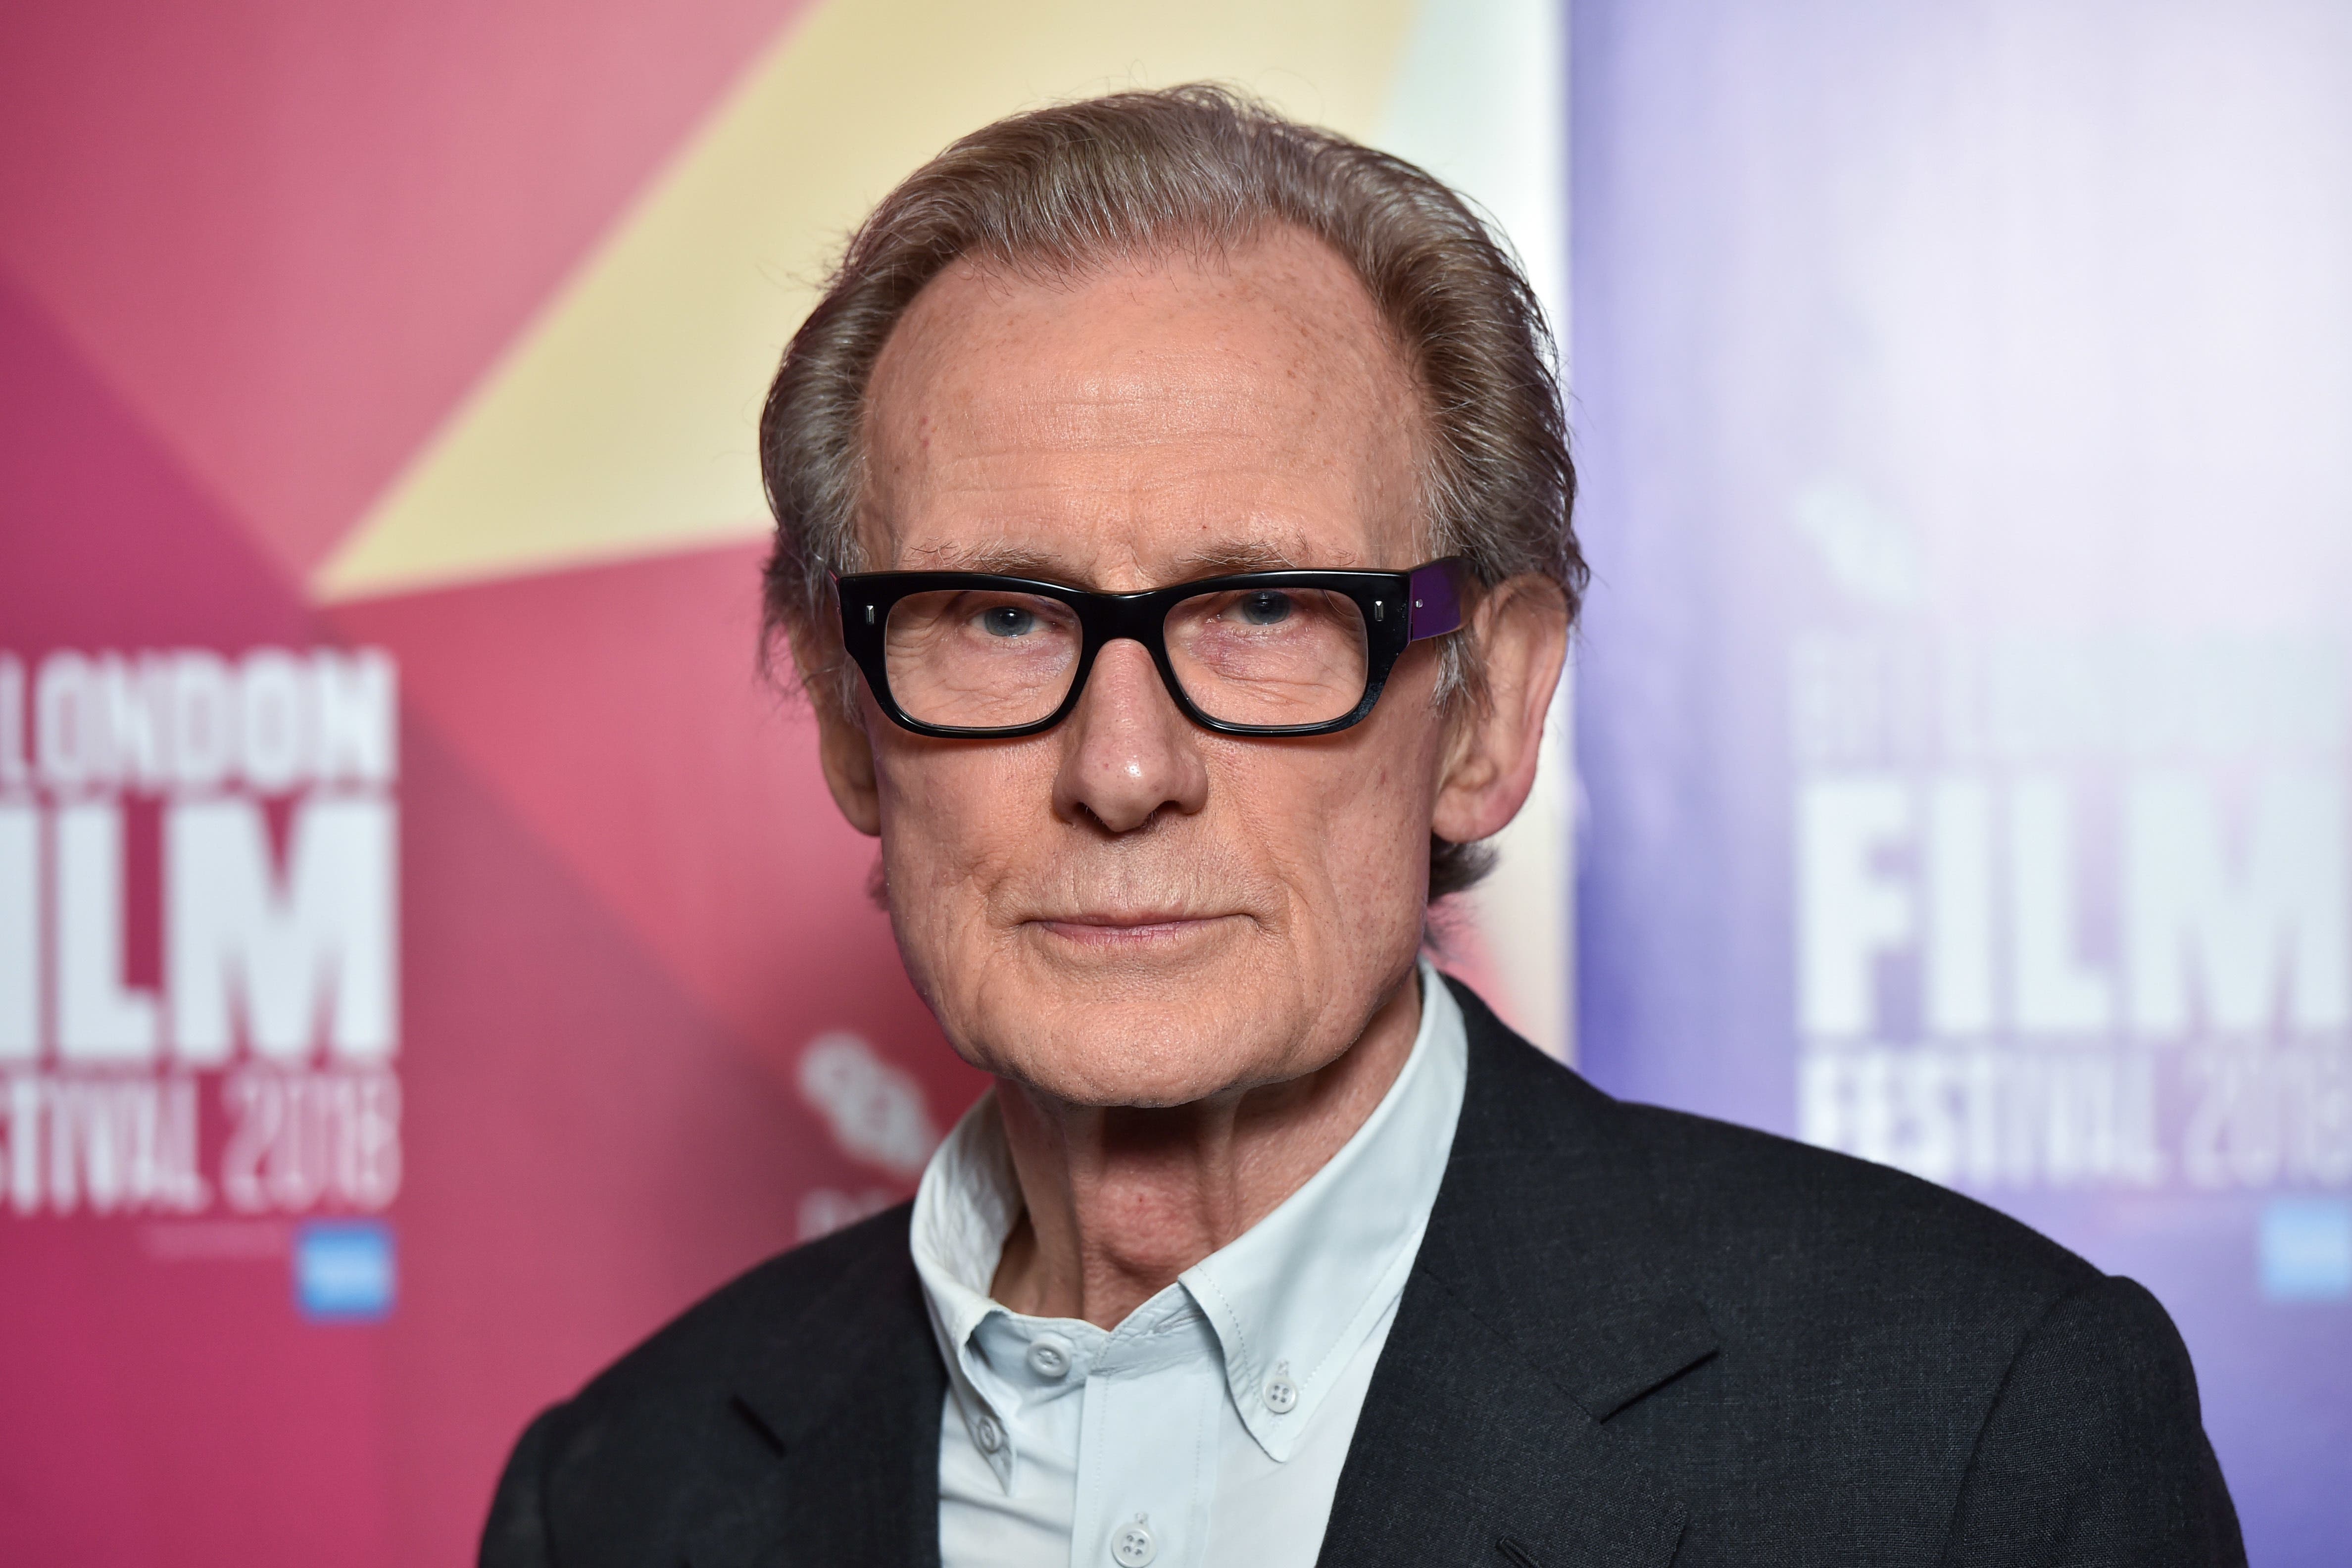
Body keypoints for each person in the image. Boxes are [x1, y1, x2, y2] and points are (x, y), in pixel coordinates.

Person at [480, 86, 2243, 1568]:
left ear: (1485, 712)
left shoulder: (1972, 1442)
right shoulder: (621, 1498)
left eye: (1261, 612)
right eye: (1002, 618)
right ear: (851, 716)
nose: (1123, 767)